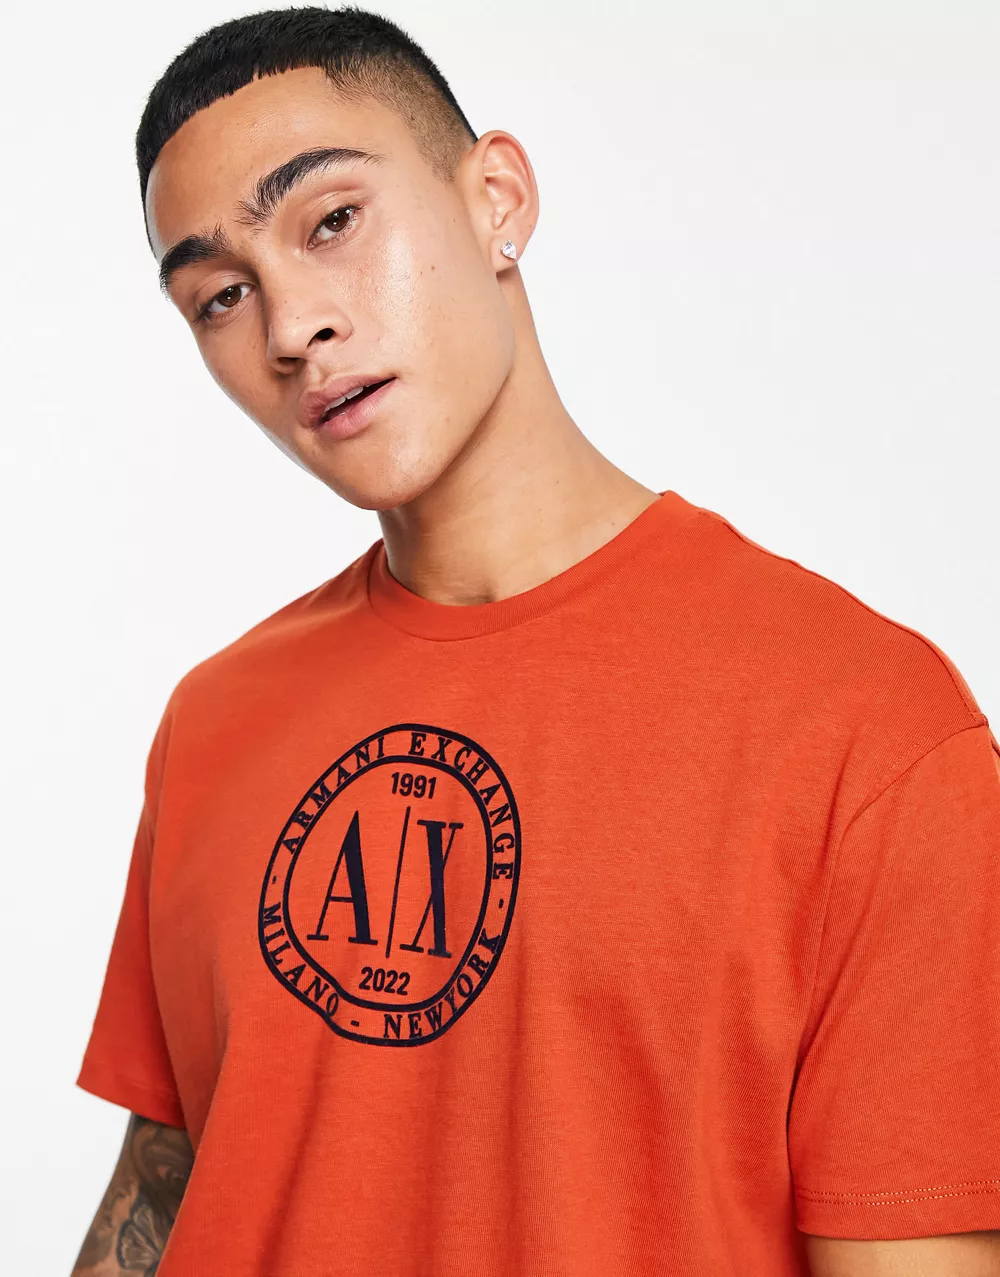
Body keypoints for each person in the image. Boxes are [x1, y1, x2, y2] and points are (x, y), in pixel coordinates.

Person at [71, 7, 1000, 1276]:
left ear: (495, 199)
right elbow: (163, 1197)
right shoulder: (214, 721)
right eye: (219, 295)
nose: (290, 327)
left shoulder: (868, 731)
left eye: (331, 222)